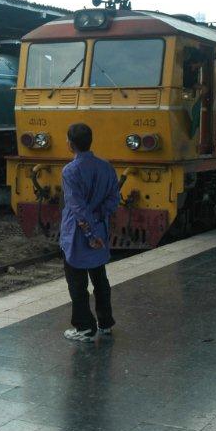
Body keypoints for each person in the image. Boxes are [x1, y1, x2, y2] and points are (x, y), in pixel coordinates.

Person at [60, 123, 120, 342]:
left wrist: (90, 234)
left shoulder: (70, 171)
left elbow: (77, 207)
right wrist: (98, 223)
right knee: (100, 279)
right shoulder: (106, 167)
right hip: (100, 230)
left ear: (70, 144)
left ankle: (84, 327)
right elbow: (114, 199)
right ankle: (105, 323)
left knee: (77, 283)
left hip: (77, 235)